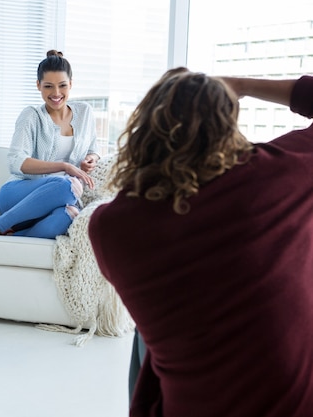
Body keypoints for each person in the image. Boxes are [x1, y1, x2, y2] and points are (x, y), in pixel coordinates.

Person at [88, 68, 313, 417]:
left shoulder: (109, 228)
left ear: (146, 128)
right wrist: (242, 85)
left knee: (147, 338)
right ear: (228, 126)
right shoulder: (279, 177)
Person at [0, 50, 100, 239]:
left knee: (69, 215)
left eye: (62, 86)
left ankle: (9, 237)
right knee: (68, 185)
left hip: (60, 200)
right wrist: (65, 167)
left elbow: (93, 148)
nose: (56, 93)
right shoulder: (31, 116)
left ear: (71, 84)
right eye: (48, 86)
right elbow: (16, 162)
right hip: (18, 195)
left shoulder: (85, 113)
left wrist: (91, 158)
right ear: (38, 85)